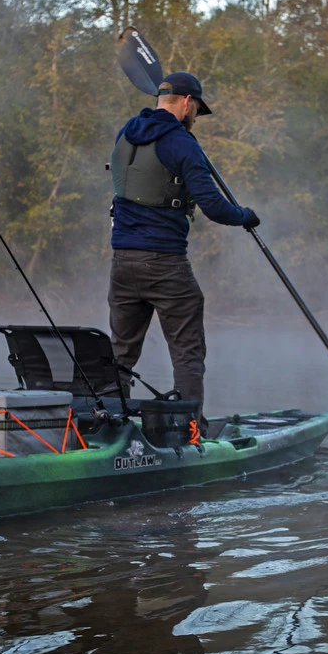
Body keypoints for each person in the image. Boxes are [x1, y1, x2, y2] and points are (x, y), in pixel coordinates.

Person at [107, 71, 259, 418]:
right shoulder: (182, 143)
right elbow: (215, 208)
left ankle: (110, 425)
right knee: (187, 351)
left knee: (120, 353)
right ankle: (190, 429)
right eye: (196, 111)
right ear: (187, 102)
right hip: (164, 262)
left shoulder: (125, 133)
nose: (195, 120)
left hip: (122, 262)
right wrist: (245, 215)